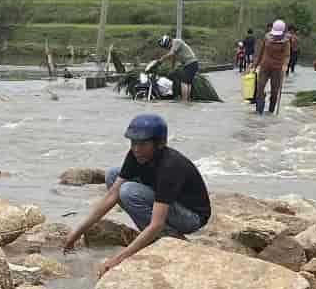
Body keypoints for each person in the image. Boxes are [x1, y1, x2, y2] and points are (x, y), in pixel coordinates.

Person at [63, 114, 210, 277]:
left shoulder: (170, 166)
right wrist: (76, 233)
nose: (136, 149)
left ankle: (169, 240)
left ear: (160, 144)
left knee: (128, 192)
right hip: (170, 203)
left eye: (143, 144)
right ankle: (152, 239)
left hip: (191, 216)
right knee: (113, 176)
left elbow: (157, 224)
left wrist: (117, 259)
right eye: (133, 142)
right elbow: (111, 196)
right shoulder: (135, 155)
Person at [253, 19, 291, 115]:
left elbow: (287, 55)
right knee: (260, 88)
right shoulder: (267, 37)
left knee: (274, 91)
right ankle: (259, 111)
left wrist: (285, 65)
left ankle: (271, 111)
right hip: (265, 66)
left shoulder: (286, 41)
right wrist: (255, 65)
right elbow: (261, 52)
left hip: (277, 68)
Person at [155, 34, 200, 102]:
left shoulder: (176, 42)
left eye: (167, 46)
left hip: (191, 63)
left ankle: (184, 100)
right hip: (190, 64)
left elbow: (171, 53)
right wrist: (172, 68)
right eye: (166, 47)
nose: (167, 48)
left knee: (184, 82)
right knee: (188, 82)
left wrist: (162, 59)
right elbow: (174, 58)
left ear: (169, 41)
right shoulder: (173, 46)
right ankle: (187, 100)